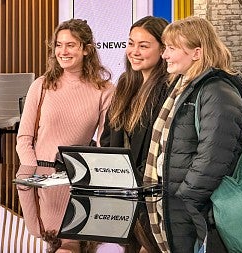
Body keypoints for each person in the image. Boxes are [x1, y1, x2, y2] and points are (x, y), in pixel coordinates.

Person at [143, 16, 242, 252]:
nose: (165, 55)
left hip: (194, 205)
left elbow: (214, 157)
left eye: (172, 48)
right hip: (178, 199)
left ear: (197, 53)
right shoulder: (184, 87)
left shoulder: (218, 91)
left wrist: (186, 198)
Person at [15, 19, 114, 253]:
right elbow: (24, 138)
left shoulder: (105, 90)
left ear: (86, 49)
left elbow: (103, 143)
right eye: (58, 45)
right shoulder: (41, 85)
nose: (63, 51)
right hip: (39, 176)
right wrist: (34, 173)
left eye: (70, 45)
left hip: (79, 181)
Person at [99, 16, 170, 253]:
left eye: (143, 45)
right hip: (123, 191)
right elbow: (108, 137)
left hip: (152, 196)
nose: (134, 51)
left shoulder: (168, 88)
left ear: (162, 49)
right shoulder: (125, 83)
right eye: (131, 43)